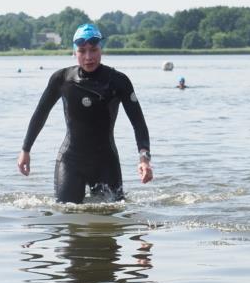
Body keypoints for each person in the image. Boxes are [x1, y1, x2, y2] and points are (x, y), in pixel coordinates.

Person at [17, 23, 153, 203]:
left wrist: (144, 158)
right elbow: (40, 114)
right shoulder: (62, 79)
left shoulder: (118, 81)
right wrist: (26, 149)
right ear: (74, 52)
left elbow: (138, 123)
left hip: (106, 162)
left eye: (93, 50)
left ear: (101, 50)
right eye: (82, 51)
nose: (88, 57)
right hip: (71, 161)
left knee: (111, 220)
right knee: (67, 213)